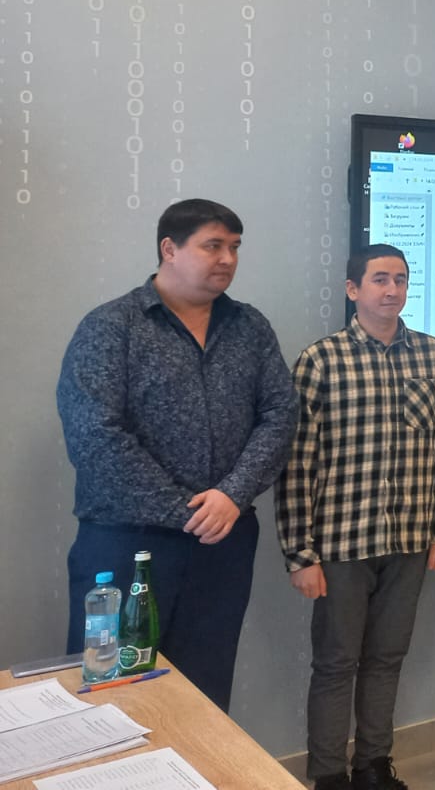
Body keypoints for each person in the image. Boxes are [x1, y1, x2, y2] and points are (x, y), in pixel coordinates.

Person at [57, 198, 296, 712]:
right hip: (127, 545)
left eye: (234, 247)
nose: (227, 259)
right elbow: (95, 436)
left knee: (204, 694)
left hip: (223, 539)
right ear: (169, 249)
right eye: (213, 246)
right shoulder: (112, 326)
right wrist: (184, 511)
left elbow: (280, 414)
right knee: (114, 695)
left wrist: (232, 495)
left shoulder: (250, 327)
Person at [277, 244, 435, 790]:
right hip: (340, 544)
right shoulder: (321, 360)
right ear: (352, 289)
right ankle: (329, 774)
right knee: (336, 664)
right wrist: (300, 554)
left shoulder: (431, 355)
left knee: (387, 658)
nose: (392, 290)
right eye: (380, 279)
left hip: (410, 539)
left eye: (400, 279)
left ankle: (374, 766)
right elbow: (297, 464)